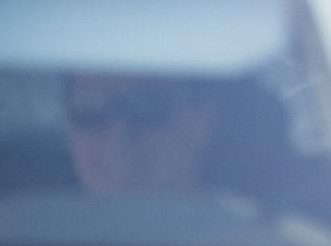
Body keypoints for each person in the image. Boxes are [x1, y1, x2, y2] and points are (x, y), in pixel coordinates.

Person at [64, 74, 221, 196]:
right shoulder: (48, 230)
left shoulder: (239, 234)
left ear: (203, 119)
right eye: (90, 107)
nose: (116, 150)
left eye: (147, 107)